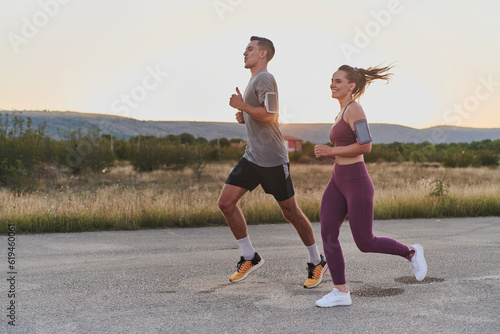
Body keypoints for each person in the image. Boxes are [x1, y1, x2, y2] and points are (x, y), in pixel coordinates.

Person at [218, 36, 328, 289]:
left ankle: (317, 261)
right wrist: (245, 114)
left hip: (272, 160)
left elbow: (271, 115)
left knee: (290, 212)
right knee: (226, 203)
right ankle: (250, 257)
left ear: (263, 54)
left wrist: (244, 106)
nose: (244, 52)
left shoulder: (265, 78)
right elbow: (260, 114)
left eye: (250, 49)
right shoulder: (253, 80)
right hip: (253, 156)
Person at [313, 64, 427, 307]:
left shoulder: (355, 110)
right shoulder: (340, 112)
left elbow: (365, 146)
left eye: (338, 81)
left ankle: (411, 252)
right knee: (328, 233)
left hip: (357, 182)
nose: (332, 84)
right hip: (337, 180)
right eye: (331, 80)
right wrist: (333, 155)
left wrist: (331, 150)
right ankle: (340, 292)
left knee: (365, 242)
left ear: (351, 86)